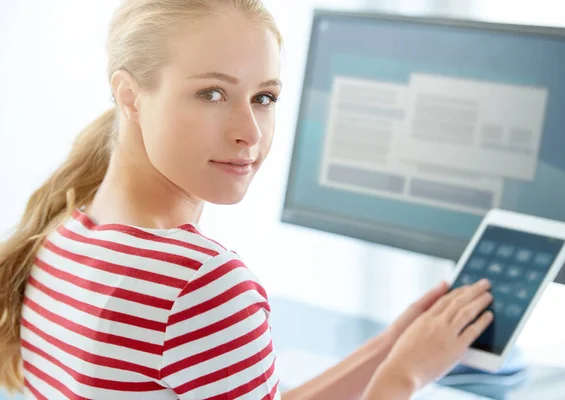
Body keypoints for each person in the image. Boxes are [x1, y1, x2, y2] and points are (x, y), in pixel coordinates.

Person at [0, 0, 494, 398]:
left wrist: (389, 349)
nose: (249, 132)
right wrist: (405, 377)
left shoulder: (63, 233)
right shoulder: (202, 286)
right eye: (212, 94)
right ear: (130, 96)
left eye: (264, 97)